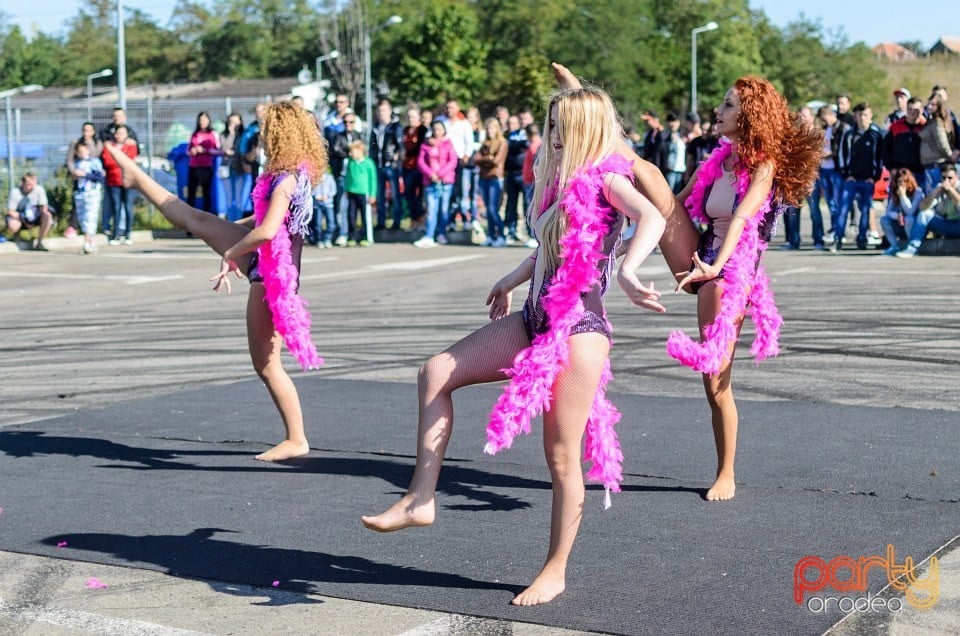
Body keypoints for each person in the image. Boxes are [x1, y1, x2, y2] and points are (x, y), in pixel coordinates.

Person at [361, 86, 666, 607]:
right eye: (548, 126)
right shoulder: (558, 181)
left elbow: (653, 215)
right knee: (435, 372)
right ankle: (419, 498)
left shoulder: (607, 177)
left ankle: (555, 569)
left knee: (562, 459)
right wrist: (512, 275)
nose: (551, 135)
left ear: (585, 129)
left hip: (578, 329)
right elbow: (548, 246)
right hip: (533, 315)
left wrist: (632, 271)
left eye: (560, 126)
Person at [103, 102, 327, 461]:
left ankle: (297, 438)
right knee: (198, 219)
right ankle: (135, 177)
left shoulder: (285, 179)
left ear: (280, 133)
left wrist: (230, 252)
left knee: (267, 364)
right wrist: (233, 230)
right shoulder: (291, 173)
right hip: (266, 262)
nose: (262, 135)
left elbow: (268, 231)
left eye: (267, 128)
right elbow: (268, 218)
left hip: (272, 275)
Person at [661, 76, 821, 500]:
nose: (718, 110)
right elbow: (671, 203)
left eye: (728, 105)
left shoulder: (764, 166)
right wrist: (626, 244)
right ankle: (593, 117)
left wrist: (714, 266)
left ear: (748, 115)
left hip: (732, 271)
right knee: (654, 191)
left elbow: (743, 220)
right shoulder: (715, 162)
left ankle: (726, 473)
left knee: (715, 379)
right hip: (703, 255)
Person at [834, 103, 884, 252]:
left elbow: (880, 158)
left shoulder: (876, 135)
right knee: (843, 208)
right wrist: (846, 175)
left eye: (865, 115)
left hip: (868, 180)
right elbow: (842, 156)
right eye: (860, 115)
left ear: (871, 116)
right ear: (856, 116)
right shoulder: (849, 135)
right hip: (851, 180)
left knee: (866, 209)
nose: (862, 118)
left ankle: (862, 237)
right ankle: (838, 238)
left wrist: (874, 177)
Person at [896, 163, 960, 258]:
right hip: (945, 225)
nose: (946, 181)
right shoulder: (939, 188)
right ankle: (912, 248)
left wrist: (951, 190)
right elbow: (922, 207)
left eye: (950, 178)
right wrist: (934, 193)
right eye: (944, 178)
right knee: (925, 214)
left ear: (957, 177)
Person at [414, 120, 457, 248]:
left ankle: (442, 234)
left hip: (445, 181)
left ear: (444, 130)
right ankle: (429, 235)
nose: (437, 131)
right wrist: (430, 174)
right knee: (432, 209)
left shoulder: (448, 144)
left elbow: (452, 161)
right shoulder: (426, 145)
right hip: (430, 181)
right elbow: (421, 162)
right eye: (435, 129)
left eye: (439, 129)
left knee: (444, 209)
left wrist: (440, 174)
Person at [100, 124, 139, 245]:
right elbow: (108, 161)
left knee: (128, 207)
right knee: (116, 208)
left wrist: (119, 160)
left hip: (128, 181)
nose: (119, 136)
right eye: (118, 133)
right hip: (113, 181)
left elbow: (130, 161)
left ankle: (127, 234)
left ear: (126, 135)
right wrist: (120, 161)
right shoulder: (109, 146)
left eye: (122, 133)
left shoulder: (131, 146)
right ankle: (116, 233)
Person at [474, 117, 508, 247]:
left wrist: (485, 159)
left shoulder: (502, 143)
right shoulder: (485, 143)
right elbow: (475, 159)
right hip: (484, 178)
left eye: (493, 128)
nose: (490, 130)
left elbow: (496, 161)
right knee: (488, 209)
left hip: (495, 178)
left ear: (497, 129)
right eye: (488, 128)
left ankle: (500, 235)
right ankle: (490, 236)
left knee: (494, 209)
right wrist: (487, 158)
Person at [68, 144, 105, 254]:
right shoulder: (77, 163)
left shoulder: (94, 162)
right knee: (83, 218)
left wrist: (85, 174)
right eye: (79, 152)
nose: (81, 154)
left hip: (92, 193)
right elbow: (76, 178)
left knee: (90, 217)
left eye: (83, 151)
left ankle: (87, 242)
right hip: (80, 193)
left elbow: (100, 177)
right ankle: (91, 242)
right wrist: (75, 176)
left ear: (88, 151)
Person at [878, 168, 925, 256]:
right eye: (899, 182)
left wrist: (903, 196)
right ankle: (894, 246)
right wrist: (896, 216)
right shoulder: (895, 193)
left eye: (905, 181)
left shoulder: (918, 193)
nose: (902, 184)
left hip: (913, 228)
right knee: (884, 220)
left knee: (909, 219)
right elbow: (888, 212)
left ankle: (911, 248)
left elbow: (910, 211)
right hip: (900, 225)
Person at [5, 172, 54, 250]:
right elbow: (10, 211)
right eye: (29, 185)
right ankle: (17, 237)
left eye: (33, 184)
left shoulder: (39, 189)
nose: (32, 187)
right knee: (13, 224)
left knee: (47, 216)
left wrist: (33, 219)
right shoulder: (15, 192)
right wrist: (25, 220)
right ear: (23, 183)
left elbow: (44, 208)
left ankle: (40, 242)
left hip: (34, 217)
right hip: (21, 218)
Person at [343, 140, 378, 246]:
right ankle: (352, 236)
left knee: (365, 215)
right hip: (352, 192)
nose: (350, 154)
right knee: (351, 215)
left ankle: (365, 236)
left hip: (364, 193)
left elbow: (373, 180)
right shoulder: (350, 162)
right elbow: (347, 177)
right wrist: (346, 189)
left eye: (352, 151)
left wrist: (372, 194)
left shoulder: (369, 163)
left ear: (360, 151)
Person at [187, 111, 221, 214]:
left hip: (206, 167)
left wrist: (205, 150)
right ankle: (190, 221)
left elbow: (219, 150)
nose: (203, 122)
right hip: (194, 167)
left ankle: (207, 220)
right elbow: (187, 151)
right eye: (201, 120)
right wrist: (192, 151)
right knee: (191, 194)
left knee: (206, 194)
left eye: (205, 119)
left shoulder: (213, 134)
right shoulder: (194, 134)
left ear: (209, 121)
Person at [221, 112, 246, 221]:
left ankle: (238, 221)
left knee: (238, 197)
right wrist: (231, 134)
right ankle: (231, 221)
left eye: (236, 122)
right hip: (225, 168)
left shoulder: (243, 135)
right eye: (231, 122)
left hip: (239, 168)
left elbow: (239, 150)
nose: (234, 124)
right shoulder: (224, 134)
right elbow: (224, 148)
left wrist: (232, 152)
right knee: (229, 196)